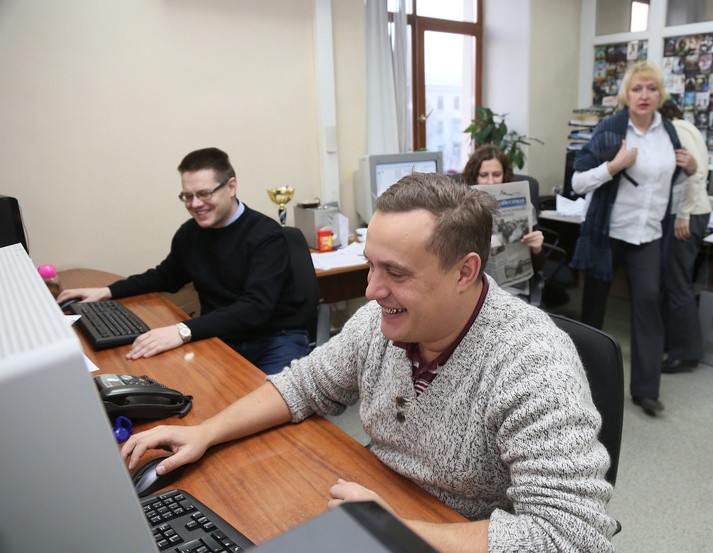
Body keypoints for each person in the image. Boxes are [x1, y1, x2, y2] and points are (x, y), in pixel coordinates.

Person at [121, 173, 618, 552]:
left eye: (395, 273)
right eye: (370, 265)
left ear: (465, 272)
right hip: (379, 501)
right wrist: (205, 432)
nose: (371, 290)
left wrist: (395, 528)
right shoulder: (380, 323)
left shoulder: (533, 363)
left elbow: (571, 537)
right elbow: (304, 385)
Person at [57, 147, 311, 375]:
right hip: (222, 336)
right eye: (188, 196)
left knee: (269, 406)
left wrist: (182, 330)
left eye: (204, 193)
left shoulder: (266, 235)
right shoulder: (190, 233)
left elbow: (255, 308)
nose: (195, 204)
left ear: (231, 186)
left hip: (275, 338)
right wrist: (107, 291)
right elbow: (165, 276)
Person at [569, 60, 691, 416]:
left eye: (651, 88)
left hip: (648, 233)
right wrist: (614, 166)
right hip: (608, 232)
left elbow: (670, 181)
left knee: (649, 304)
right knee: (594, 310)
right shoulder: (611, 128)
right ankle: (581, 385)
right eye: (637, 88)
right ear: (627, 93)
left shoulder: (669, 131)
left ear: (660, 94)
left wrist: (691, 170)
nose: (644, 95)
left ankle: (646, 391)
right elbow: (577, 181)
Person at [658, 101, 712, 373]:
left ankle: (687, 353)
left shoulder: (678, 129)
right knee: (671, 281)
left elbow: (696, 172)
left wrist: (683, 214)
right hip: (683, 212)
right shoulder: (683, 128)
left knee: (678, 283)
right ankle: (674, 343)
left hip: (687, 214)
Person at [459, 144, 545, 302]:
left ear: (504, 175)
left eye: (496, 174)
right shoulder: (459, 209)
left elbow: (538, 267)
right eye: (484, 175)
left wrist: (537, 249)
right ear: (474, 177)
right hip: (473, 290)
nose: (491, 182)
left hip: (511, 292)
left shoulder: (526, 208)